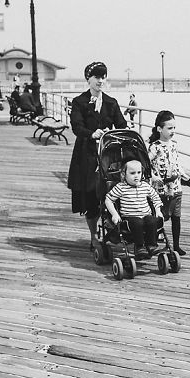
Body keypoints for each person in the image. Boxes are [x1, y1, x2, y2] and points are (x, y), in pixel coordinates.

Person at [68, 61, 127, 249]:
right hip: (87, 155)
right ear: (88, 79)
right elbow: (77, 126)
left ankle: (113, 229)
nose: (101, 81)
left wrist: (115, 132)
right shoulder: (79, 102)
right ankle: (94, 235)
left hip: (109, 156)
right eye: (97, 77)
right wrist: (91, 134)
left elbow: (122, 124)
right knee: (91, 198)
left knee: (112, 193)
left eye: (103, 77)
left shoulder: (111, 102)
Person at [148, 110, 190, 257]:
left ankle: (176, 245)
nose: (173, 131)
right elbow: (146, 164)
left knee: (176, 217)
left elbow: (177, 164)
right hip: (161, 189)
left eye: (174, 128)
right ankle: (153, 242)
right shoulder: (154, 146)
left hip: (176, 186)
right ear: (159, 129)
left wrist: (186, 178)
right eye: (169, 128)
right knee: (160, 216)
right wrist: (153, 176)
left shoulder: (174, 144)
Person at [104, 159, 163, 258]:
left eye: (139, 172)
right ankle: (140, 246)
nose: (136, 176)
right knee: (137, 223)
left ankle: (151, 244)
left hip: (145, 215)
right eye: (132, 173)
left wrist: (158, 210)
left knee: (152, 221)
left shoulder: (145, 186)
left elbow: (156, 197)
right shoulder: (121, 187)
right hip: (130, 217)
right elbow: (108, 200)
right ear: (124, 174)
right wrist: (114, 214)